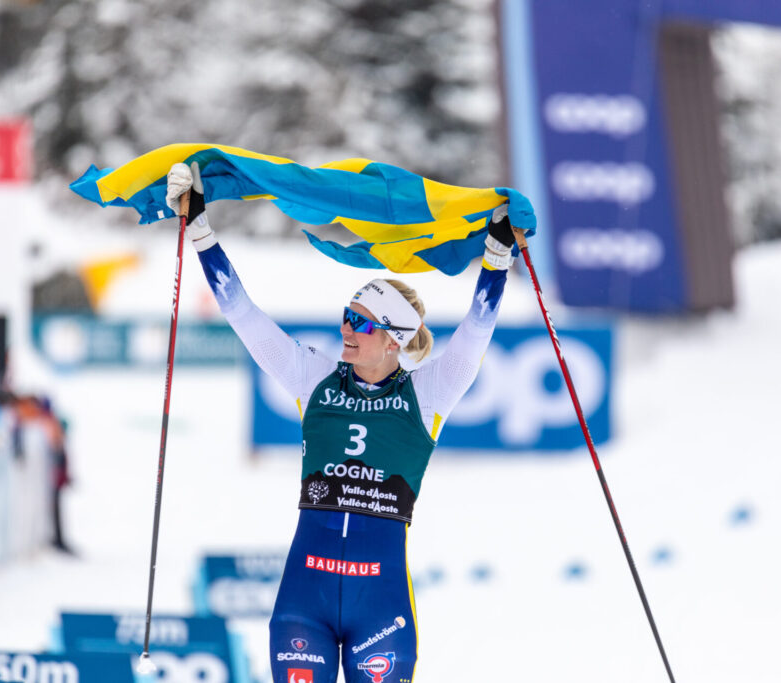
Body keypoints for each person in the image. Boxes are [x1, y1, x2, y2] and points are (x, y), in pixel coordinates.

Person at [167, 162, 518, 683]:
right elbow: (242, 314)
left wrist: (496, 256)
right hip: (301, 607)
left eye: (361, 322)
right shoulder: (313, 379)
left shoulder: (428, 394)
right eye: (346, 315)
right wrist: (198, 229)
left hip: (380, 612)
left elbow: (477, 328)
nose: (346, 330)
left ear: (394, 337)